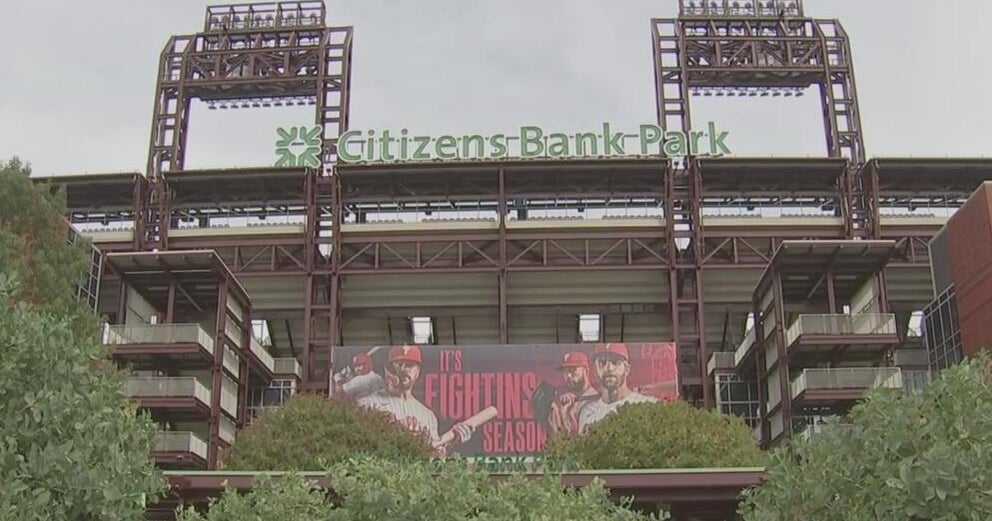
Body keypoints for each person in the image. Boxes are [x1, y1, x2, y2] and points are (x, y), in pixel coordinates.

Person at [577, 343, 657, 433]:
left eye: (615, 362)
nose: (609, 368)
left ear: (627, 369)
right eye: (602, 363)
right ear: (595, 370)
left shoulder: (649, 405)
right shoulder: (587, 411)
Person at [548, 351, 599, 436]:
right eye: (565, 371)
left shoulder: (598, 400)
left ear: (586, 371)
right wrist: (563, 415)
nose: (568, 375)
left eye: (573, 370)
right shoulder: (563, 402)